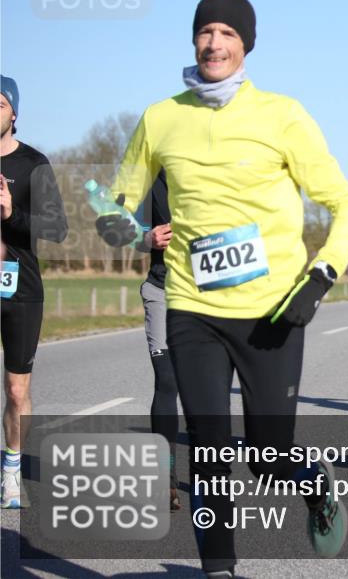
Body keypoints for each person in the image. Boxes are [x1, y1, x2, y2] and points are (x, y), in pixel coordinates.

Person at [94, 0, 348, 577]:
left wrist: (321, 275)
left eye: (227, 34)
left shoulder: (283, 115)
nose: (214, 44)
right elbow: (117, 205)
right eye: (205, 32)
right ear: (193, 39)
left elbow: (345, 205)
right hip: (190, 306)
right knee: (210, 455)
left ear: (246, 45)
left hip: (272, 311)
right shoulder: (160, 117)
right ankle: (221, 571)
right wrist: (117, 223)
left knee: (268, 456)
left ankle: (314, 484)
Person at [0, 75, 68, 509]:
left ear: (14, 113)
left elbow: (56, 227)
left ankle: (10, 470)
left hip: (19, 288)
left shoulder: (33, 164)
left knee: (16, 390)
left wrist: (11, 211)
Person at [136, 170, 182, 510]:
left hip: (210, 300)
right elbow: (111, 227)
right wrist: (144, 239)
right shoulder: (151, 178)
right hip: (161, 291)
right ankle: (165, 477)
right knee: (167, 382)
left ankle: (211, 475)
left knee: (204, 391)